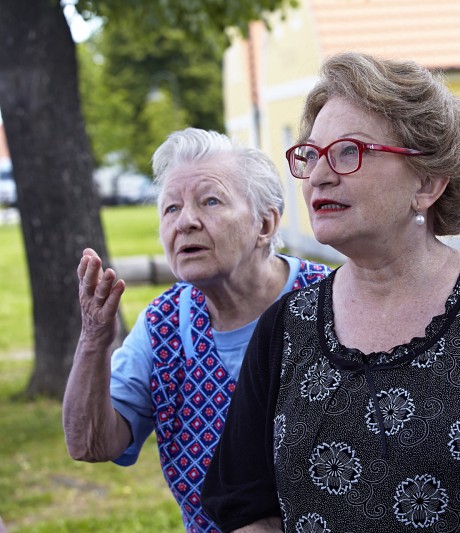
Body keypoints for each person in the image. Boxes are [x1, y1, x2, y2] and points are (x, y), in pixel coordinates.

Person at [201, 51, 460, 532]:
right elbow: (242, 500)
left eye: (350, 151)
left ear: (427, 182)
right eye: (311, 154)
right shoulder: (287, 327)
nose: (320, 175)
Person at [62, 128, 331, 533]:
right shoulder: (163, 325)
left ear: (265, 223)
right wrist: (94, 341)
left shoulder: (330, 303)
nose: (185, 222)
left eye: (210, 201)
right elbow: (90, 444)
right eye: (170, 209)